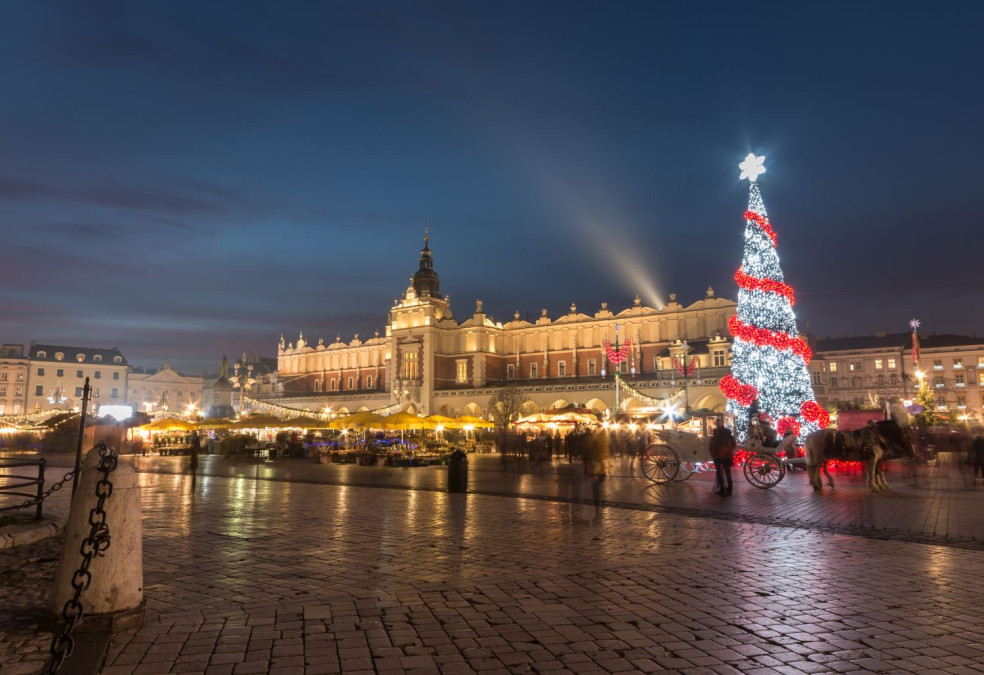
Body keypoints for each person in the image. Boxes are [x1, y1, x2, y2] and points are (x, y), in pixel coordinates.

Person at [709, 419, 736, 496]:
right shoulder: (728, 434)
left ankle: (722, 489)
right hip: (727, 456)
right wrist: (730, 451)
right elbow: (733, 444)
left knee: (719, 473)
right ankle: (730, 490)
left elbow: (712, 446)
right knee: (728, 472)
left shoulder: (716, 435)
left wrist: (713, 454)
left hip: (718, 456)